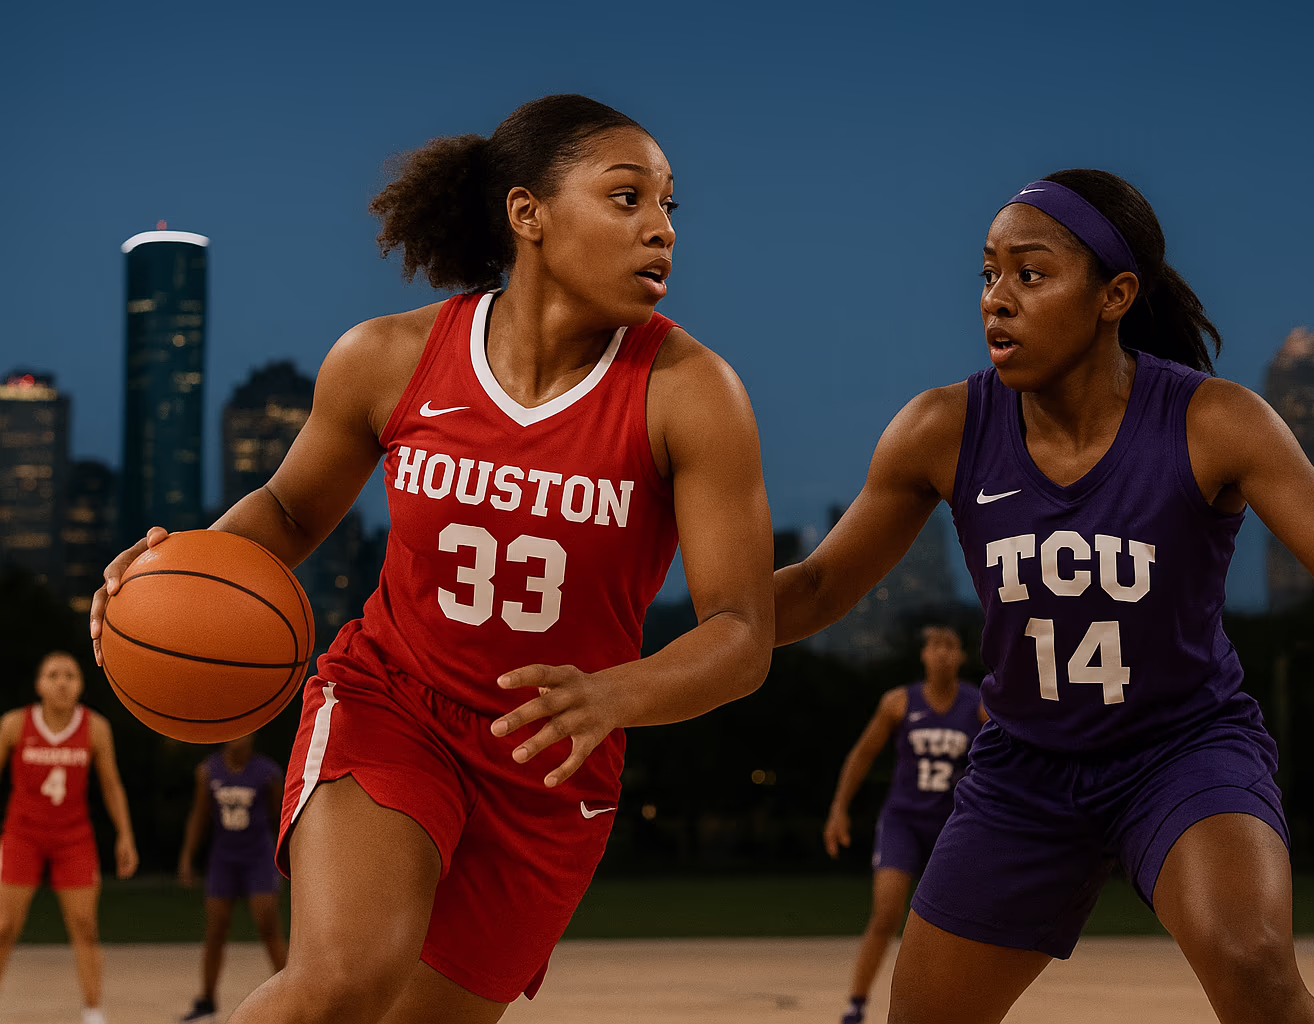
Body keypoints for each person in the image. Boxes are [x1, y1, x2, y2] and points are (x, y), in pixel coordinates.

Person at [91, 94, 773, 1024]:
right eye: (627, 198)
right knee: (344, 979)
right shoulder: (388, 357)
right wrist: (172, 575)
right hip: (393, 702)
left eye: (668, 206)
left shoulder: (692, 393)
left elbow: (740, 632)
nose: (662, 229)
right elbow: (289, 509)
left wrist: (616, 694)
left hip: (551, 760)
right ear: (528, 213)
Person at [773, 170, 1314, 1024]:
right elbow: (817, 585)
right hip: (1026, 768)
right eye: (989, 273)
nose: (996, 298)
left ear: (1114, 295)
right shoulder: (943, 427)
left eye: (1029, 273)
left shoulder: (1213, 421)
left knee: (1252, 964)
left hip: (1181, 748)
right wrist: (671, 635)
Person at [822, 624, 985, 1024]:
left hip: (953, 823)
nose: (942, 653)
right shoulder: (898, 702)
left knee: (960, 919)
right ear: (923, 655)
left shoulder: (978, 704)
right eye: (934, 646)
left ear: (961, 656)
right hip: (904, 819)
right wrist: (839, 807)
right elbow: (862, 754)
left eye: (950, 646)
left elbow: (1005, 756)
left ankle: (957, 1005)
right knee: (886, 913)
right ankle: (856, 1003)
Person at [0, 651, 138, 1024]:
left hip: (73, 837)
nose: (62, 682)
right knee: (4, 926)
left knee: (85, 926)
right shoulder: (14, 724)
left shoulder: (95, 727)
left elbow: (111, 785)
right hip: (22, 835)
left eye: (70, 675)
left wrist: (125, 835)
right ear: (38, 684)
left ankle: (93, 1011)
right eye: (53, 675)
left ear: (80, 685)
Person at [177, 733, 288, 1022]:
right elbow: (200, 814)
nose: (237, 739)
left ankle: (293, 995)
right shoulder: (208, 771)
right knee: (215, 929)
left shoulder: (267, 773)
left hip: (258, 854)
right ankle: (207, 999)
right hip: (224, 856)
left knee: (267, 923)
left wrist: (286, 853)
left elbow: (279, 815)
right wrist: (187, 855)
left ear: (253, 734)